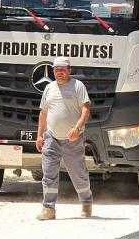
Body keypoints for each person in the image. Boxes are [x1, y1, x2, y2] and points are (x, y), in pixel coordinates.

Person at [36, 57, 93, 220]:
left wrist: (77, 128)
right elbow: (43, 113)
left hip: (73, 140)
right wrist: (40, 135)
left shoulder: (78, 86)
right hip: (51, 138)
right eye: (56, 70)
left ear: (69, 70)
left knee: (78, 174)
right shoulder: (49, 88)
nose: (59, 72)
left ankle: (87, 202)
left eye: (62, 69)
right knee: (48, 174)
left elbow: (85, 110)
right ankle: (49, 209)